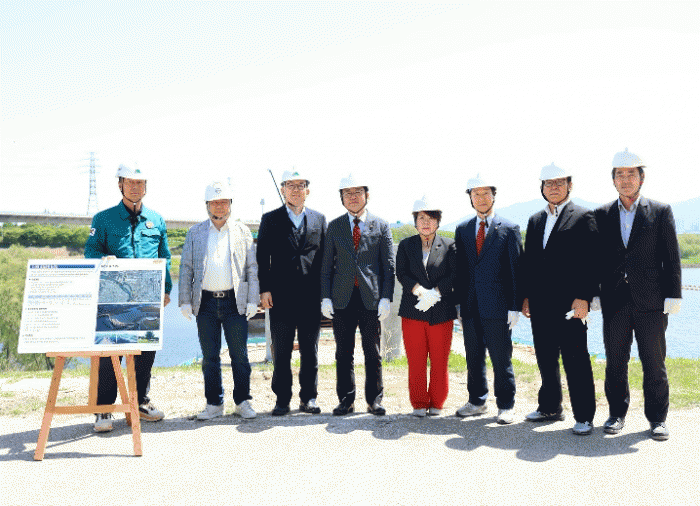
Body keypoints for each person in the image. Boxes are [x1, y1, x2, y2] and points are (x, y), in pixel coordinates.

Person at [594, 149, 682, 441]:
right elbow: (594, 259)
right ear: (613, 180)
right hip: (614, 302)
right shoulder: (602, 214)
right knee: (615, 362)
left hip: (652, 302)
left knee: (654, 363)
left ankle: (658, 419)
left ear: (641, 178)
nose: (625, 179)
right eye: (620, 174)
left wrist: (674, 295)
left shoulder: (660, 211)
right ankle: (616, 414)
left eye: (631, 174)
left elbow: (671, 257)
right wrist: (594, 293)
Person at [85, 163, 172, 432]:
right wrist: (104, 259)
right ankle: (104, 409)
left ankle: (140, 402)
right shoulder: (103, 219)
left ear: (146, 186)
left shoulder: (156, 220)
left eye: (140, 182)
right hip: (113, 298)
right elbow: (90, 252)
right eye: (130, 182)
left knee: (145, 352)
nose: (135, 187)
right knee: (109, 353)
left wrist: (166, 289)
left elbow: (165, 256)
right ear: (120, 184)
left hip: (147, 298)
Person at [520, 163, 597, 435]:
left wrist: (584, 297)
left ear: (569, 185)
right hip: (540, 303)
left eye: (559, 182)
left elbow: (592, 261)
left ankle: (584, 416)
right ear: (542, 188)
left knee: (576, 359)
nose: (553, 187)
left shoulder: (584, 216)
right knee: (545, 357)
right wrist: (525, 296)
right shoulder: (535, 220)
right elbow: (529, 262)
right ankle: (550, 407)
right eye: (548, 183)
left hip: (570, 304)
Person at [179, 181, 259, 420]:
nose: (220, 206)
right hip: (205, 302)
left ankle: (242, 401)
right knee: (210, 357)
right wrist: (185, 300)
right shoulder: (195, 233)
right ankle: (214, 404)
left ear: (230, 204)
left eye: (224, 202)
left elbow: (252, 268)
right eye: (215, 202)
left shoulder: (242, 231)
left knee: (240, 356)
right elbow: (186, 268)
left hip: (235, 302)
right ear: (207, 205)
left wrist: (253, 299)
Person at [320, 174, 395, 416]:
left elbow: (388, 266)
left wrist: (386, 297)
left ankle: (374, 400)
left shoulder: (381, 225)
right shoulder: (334, 226)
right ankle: (346, 400)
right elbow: (326, 265)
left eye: (357, 192)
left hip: (371, 299)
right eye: (347, 193)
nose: (352, 197)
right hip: (342, 298)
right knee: (343, 353)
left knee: (372, 352)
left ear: (367, 195)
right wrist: (325, 297)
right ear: (341, 198)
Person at [256, 169, 327, 416]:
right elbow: (262, 257)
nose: (296, 190)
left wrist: (326, 294)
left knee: (310, 350)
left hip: (311, 296)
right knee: (282, 350)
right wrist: (264, 289)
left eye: (300, 185)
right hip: (280, 296)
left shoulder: (319, 219)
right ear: (283, 189)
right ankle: (282, 399)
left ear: (308, 190)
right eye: (291, 185)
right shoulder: (270, 219)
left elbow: (325, 258)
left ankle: (309, 398)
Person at [454, 176, 522, 424]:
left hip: (499, 306)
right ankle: (477, 401)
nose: (481, 198)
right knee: (473, 357)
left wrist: (515, 306)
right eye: (476, 194)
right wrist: (458, 305)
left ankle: (506, 405)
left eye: (485, 193)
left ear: (494, 195)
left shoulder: (509, 228)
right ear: (470, 198)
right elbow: (460, 271)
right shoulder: (463, 229)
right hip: (470, 306)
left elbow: (516, 271)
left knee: (501, 358)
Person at [395, 196, 456, 417]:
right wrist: (420, 291)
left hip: (441, 311)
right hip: (413, 311)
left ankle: (437, 402)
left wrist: (436, 293)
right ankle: (419, 402)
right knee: (416, 360)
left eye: (431, 218)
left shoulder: (450, 245)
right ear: (415, 221)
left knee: (440, 360)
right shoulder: (406, 245)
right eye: (421, 218)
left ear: (438, 221)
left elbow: (454, 274)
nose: (426, 222)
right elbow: (401, 273)